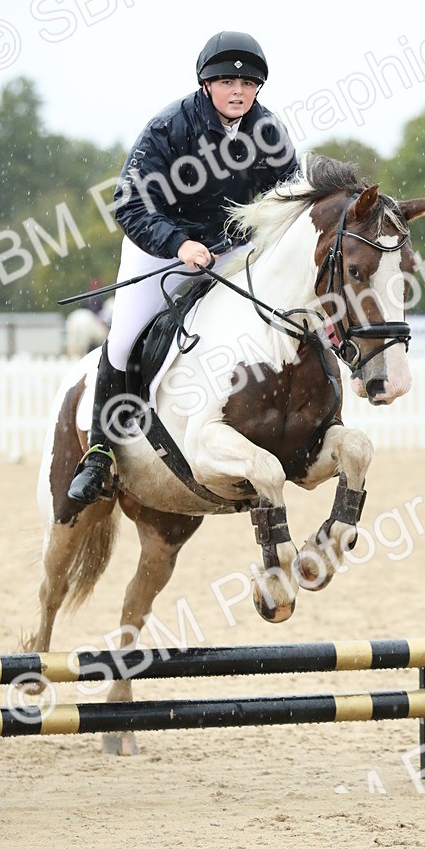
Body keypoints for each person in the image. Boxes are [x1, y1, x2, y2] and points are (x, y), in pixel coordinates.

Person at [68, 30, 298, 504]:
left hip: (233, 248)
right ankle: (100, 452)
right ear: (206, 84)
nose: (239, 91)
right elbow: (130, 203)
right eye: (227, 82)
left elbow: (290, 196)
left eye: (248, 84)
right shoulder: (168, 128)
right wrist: (179, 243)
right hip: (161, 246)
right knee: (124, 338)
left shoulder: (268, 132)